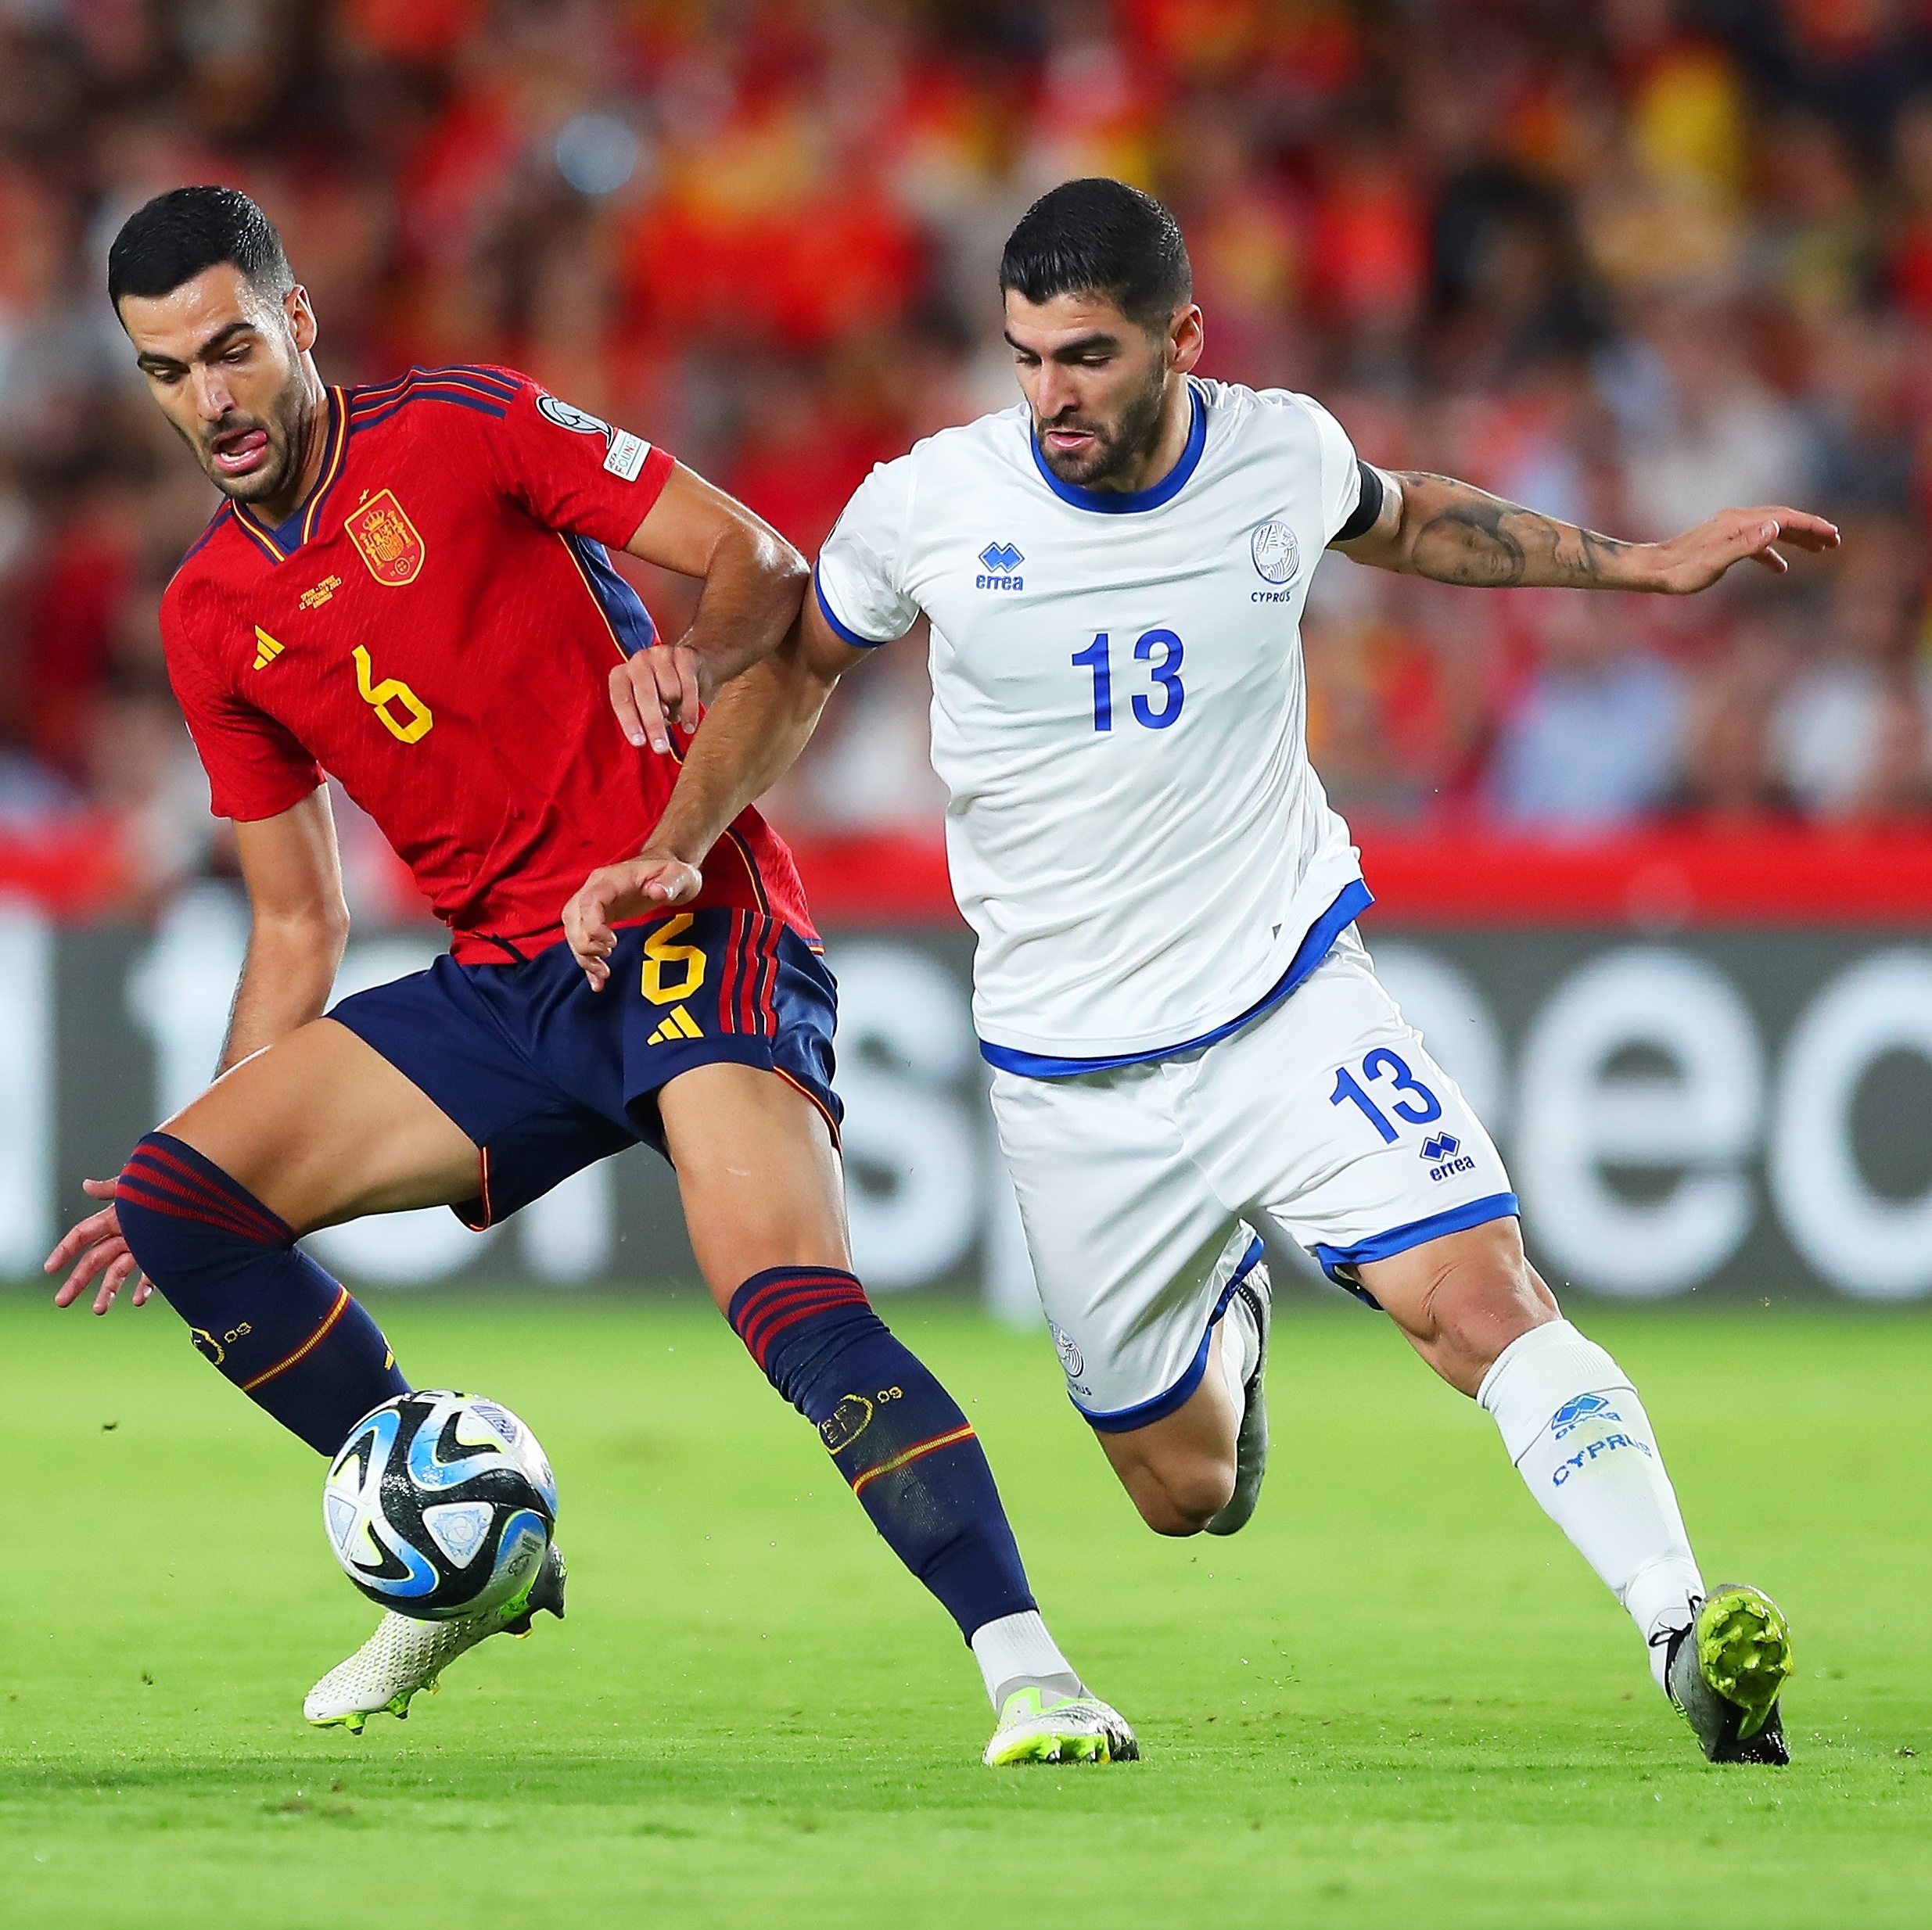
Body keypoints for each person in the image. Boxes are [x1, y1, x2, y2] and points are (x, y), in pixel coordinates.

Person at [566, 178, 1841, 1767]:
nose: (1050, 396)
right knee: (1180, 1490)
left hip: (1279, 997)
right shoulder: (934, 503)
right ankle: (1230, 1318)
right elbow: (806, 662)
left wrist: (1637, 566)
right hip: (1067, 1067)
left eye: (1086, 357)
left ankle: (1678, 1629)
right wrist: (681, 839)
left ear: (1178, 336)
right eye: (1025, 356)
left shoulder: (1274, 450)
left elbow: (1407, 514)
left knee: (1475, 1297)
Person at [41, 186, 1135, 1769]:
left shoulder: (466, 428)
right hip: (509, 980)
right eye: (165, 371)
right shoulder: (213, 614)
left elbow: (759, 561)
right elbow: (297, 923)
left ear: (299, 324)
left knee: (781, 1293)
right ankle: (463, 1543)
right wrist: (209, 1143)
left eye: (230, 349)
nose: (209, 400)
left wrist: (689, 646)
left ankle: (1029, 1668)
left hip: (683, 908)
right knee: (180, 1203)